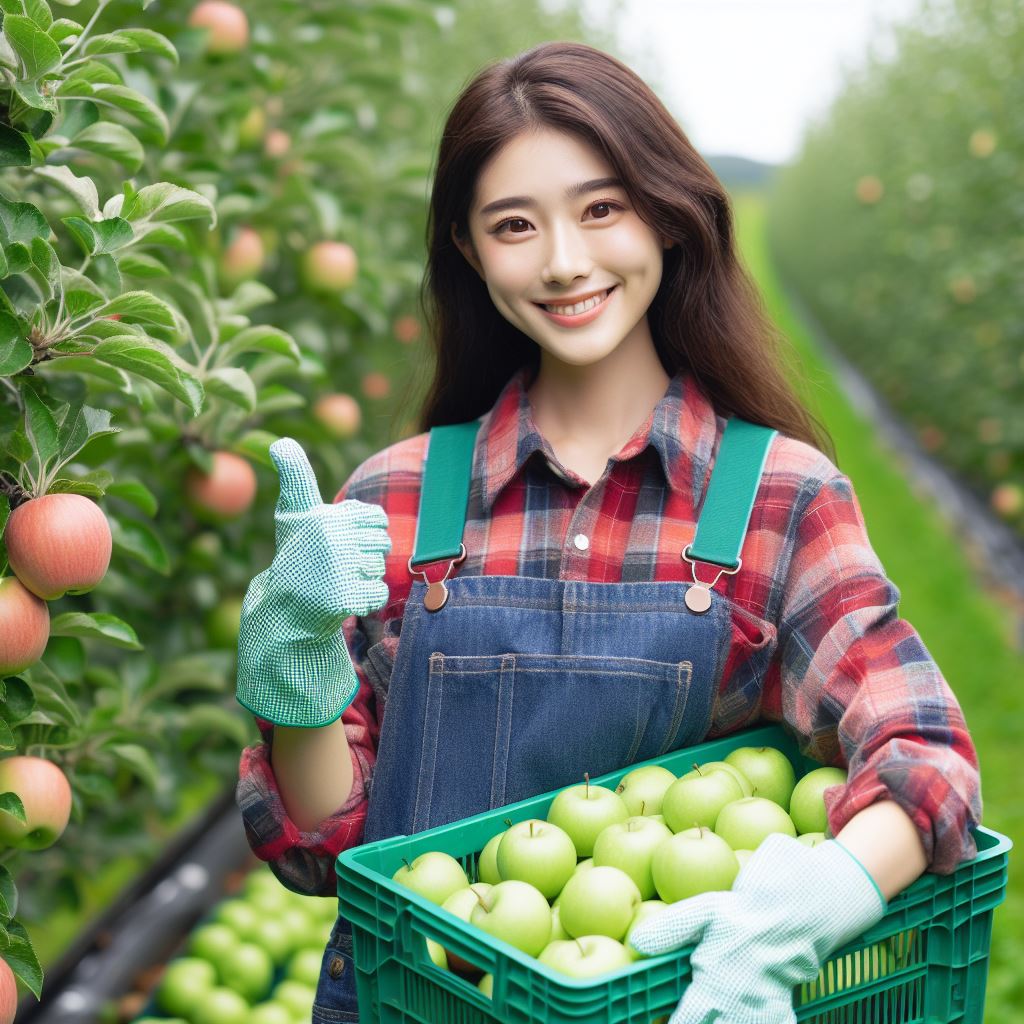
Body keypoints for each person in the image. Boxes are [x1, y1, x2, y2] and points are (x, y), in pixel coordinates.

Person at [234, 41, 982, 1024]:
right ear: (466, 247)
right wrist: (297, 685)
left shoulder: (777, 498)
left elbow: (921, 753)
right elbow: (327, 851)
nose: (564, 261)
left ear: (666, 216)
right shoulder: (397, 500)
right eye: (513, 224)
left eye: (601, 208)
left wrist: (825, 891)